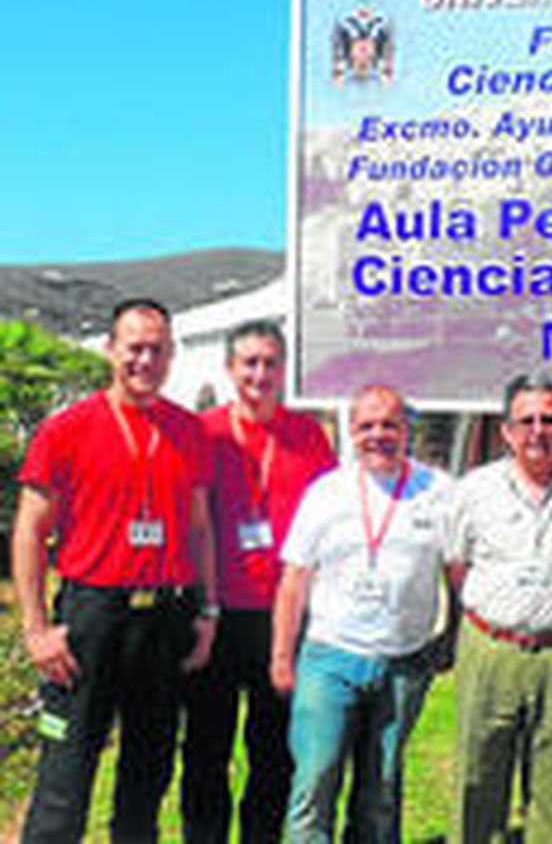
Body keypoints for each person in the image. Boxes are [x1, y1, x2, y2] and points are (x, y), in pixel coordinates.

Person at [11, 298, 218, 840]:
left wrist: (209, 612)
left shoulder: (187, 431)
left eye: (158, 349)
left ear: (172, 354)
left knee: (148, 775)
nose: (146, 360)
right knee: (65, 774)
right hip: (92, 618)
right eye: (135, 348)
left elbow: (200, 530)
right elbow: (30, 532)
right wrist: (36, 629)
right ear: (111, 350)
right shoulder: (66, 430)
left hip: (165, 619)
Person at [270, 384, 453, 843]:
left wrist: (450, 642)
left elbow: (458, 573)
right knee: (315, 782)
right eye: (366, 426)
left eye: (389, 424)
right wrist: (281, 656)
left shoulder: (439, 491)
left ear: (406, 428)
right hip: (330, 658)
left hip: (404, 662)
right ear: (351, 432)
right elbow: (294, 581)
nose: (378, 435)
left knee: (382, 789)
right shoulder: (326, 493)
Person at [181, 320, 337, 843]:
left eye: (270, 362)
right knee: (206, 748)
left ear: (284, 369)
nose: (260, 373)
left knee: (274, 751)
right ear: (230, 369)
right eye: (249, 362)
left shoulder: (309, 436)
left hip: (284, 618)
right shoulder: (203, 432)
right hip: (217, 615)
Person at [445, 375, 552, 843]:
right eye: (527, 420)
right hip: (490, 648)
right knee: (478, 779)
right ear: (507, 431)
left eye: (549, 420)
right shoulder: (475, 490)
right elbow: (457, 565)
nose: (538, 430)